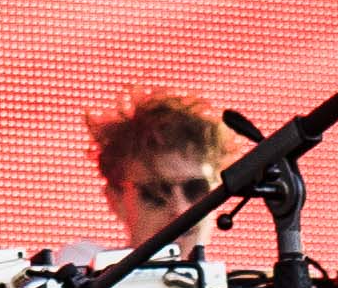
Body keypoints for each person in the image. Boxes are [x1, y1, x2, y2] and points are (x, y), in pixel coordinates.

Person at [80, 87, 228, 254]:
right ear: (116, 199)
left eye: (196, 189)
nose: (180, 209)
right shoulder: (82, 265)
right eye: (155, 192)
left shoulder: (244, 272)